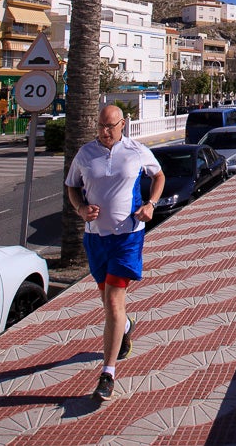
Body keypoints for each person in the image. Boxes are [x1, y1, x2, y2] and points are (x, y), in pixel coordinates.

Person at [65, 105, 165, 401]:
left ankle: (107, 374)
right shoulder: (85, 153)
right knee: (110, 306)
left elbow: (159, 176)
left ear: (123, 124)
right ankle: (127, 325)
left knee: (112, 301)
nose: (105, 132)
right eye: (100, 126)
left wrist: (151, 205)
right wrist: (80, 208)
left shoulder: (136, 151)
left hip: (128, 237)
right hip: (95, 239)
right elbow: (72, 186)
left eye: (110, 126)